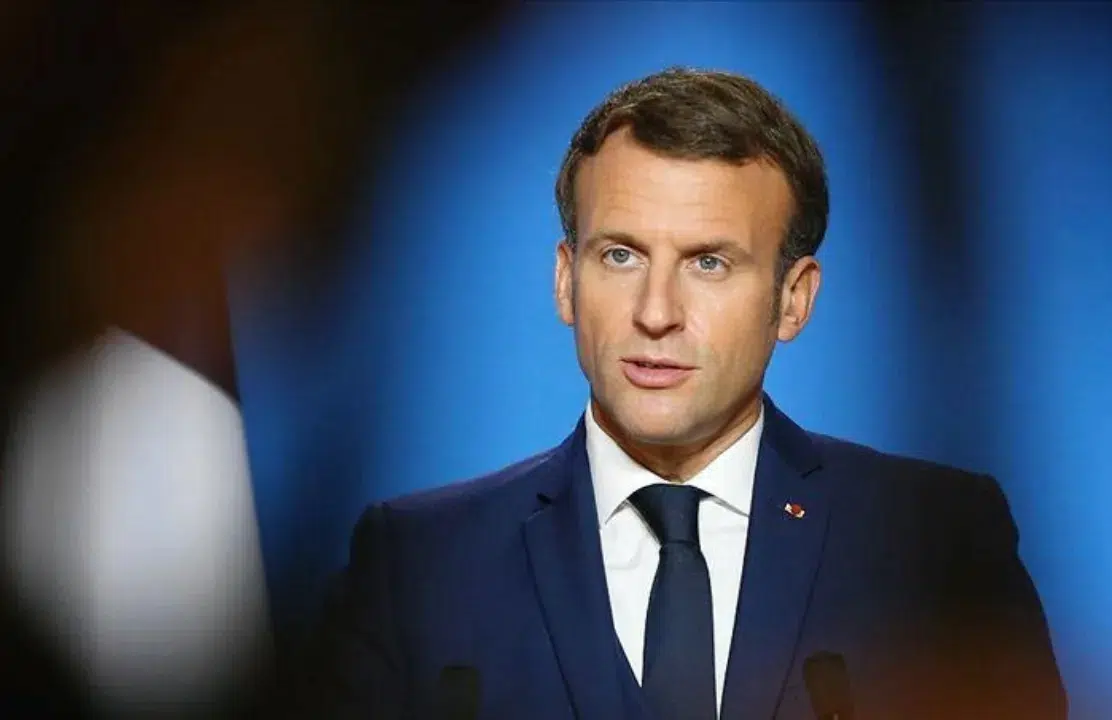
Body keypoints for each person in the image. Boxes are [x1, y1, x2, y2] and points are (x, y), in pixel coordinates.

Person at [306, 67, 1067, 719]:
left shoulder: (936, 545)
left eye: (708, 263)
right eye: (621, 255)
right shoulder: (420, 565)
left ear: (794, 299)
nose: (656, 312)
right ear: (566, 280)